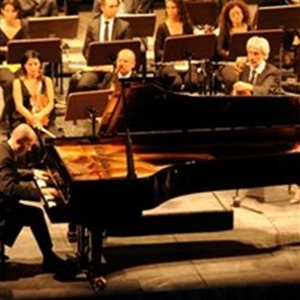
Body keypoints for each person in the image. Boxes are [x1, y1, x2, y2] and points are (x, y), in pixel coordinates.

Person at [0, 123, 68, 272]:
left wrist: (32, 174)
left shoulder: (3, 148)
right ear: (19, 142)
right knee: (35, 215)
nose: (30, 149)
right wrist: (41, 193)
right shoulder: (5, 158)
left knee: (31, 213)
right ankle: (49, 259)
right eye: (28, 145)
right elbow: (7, 188)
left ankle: (48, 256)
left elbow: (10, 173)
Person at [67, 0, 133, 94]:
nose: (115, 9)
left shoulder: (124, 26)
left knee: (110, 87)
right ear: (102, 8)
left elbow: (126, 50)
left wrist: (114, 65)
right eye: (111, 7)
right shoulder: (92, 25)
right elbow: (86, 50)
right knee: (83, 85)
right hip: (96, 67)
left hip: (114, 68)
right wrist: (95, 62)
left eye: (116, 6)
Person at [154, 0, 199, 92]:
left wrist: (183, 58)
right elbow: (158, 51)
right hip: (169, 64)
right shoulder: (162, 27)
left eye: (173, 7)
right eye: (168, 7)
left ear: (179, 9)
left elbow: (192, 47)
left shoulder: (187, 26)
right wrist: (173, 57)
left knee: (192, 81)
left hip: (186, 63)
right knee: (176, 82)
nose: (170, 11)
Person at [9, 49, 55, 130]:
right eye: (30, 64)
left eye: (35, 64)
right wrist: (32, 119)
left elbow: (51, 103)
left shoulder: (47, 81)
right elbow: (19, 106)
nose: (33, 67)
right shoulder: (17, 82)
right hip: (23, 119)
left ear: (40, 64)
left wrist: (40, 115)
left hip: (43, 118)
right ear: (24, 65)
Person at [0, 0, 29, 123]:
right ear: (1, 11)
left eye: (12, 11)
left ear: (17, 12)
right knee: (11, 81)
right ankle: (9, 116)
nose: (9, 14)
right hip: (2, 64)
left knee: (26, 80)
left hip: (20, 64)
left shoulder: (24, 25)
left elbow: (28, 45)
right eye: (6, 11)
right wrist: (7, 50)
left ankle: (24, 114)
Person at [215, 0, 252, 94]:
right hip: (228, 63)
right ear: (228, 17)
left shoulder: (249, 28)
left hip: (247, 61)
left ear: (243, 14)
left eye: (238, 13)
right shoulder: (224, 29)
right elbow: (219, 50)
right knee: (233, 78)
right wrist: (230, 55)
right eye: (232, 14)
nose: (236, 16)